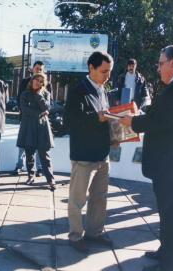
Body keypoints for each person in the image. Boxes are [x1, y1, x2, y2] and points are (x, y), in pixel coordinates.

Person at [120, 45, 173, 271]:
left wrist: (133, 121)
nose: (158, 68)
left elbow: (160, 123)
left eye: (161, 63)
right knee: (172, 218)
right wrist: (141, 117)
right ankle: (167, 254)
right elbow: (165, 118)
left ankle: (170, 266)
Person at [63, 51, 114, 253]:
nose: (107, 76)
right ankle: (75, 236)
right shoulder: (78, 91)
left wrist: (115, 136)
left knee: (99, 198)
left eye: (109, 71)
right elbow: (71, 122)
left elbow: (106, 119)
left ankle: (95, 232)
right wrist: (97, 118)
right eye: (104, 71)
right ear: (91, 68)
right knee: (77, 199)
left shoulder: (103, 90)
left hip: (102, 154)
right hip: (83, 155)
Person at [12, 61, 52, 176]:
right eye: (37, 68)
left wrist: (43, 112)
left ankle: (39, 168)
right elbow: (20, 98)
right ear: (32, 69)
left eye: (41, 69)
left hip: (41, 121)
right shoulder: (25, 81)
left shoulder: (47, 84)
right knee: (24, 144)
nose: (39, 70)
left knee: (40, 145)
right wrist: (25, 113)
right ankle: (19, 166)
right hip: (26, 119)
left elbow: (49, 103)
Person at [16, 73, 55, 189]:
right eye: (36, 80)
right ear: (32, 80)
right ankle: (30, 176)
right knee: (29, 154)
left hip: (42, 127)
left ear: (43, 84)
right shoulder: (25, 94)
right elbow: (24, 110)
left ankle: (50, 179)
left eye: (41, 81)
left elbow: (47, 108)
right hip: (28, 127)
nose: (38, 82)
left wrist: (39, 96)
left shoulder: (45, 94)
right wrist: (40, 113)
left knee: (44, 155)